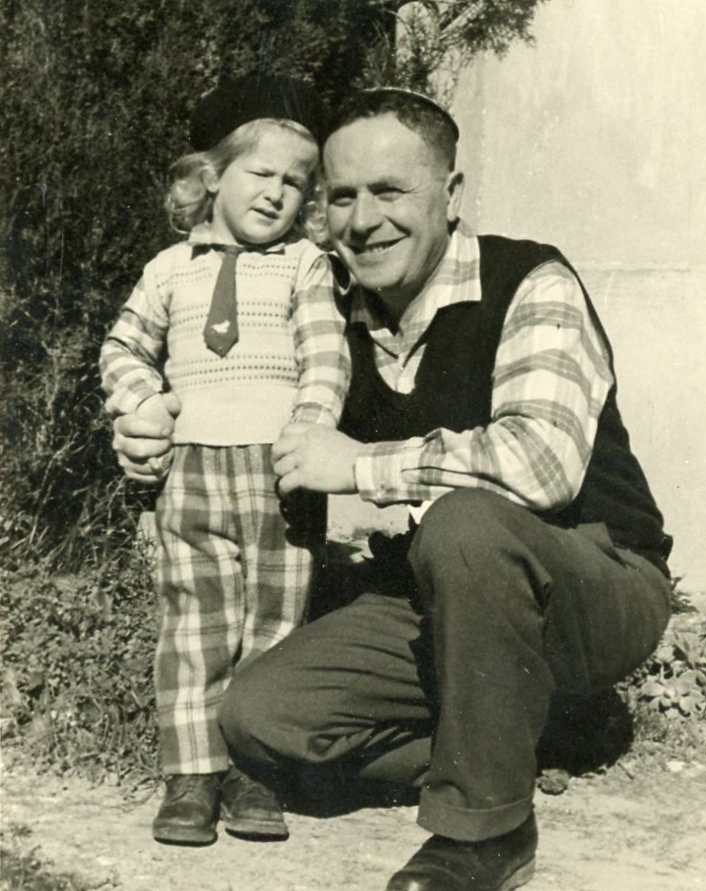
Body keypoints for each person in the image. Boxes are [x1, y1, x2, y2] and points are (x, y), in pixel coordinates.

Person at [113, 87, 673, 891]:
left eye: (389, 192)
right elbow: (230, 386)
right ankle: (533, 729)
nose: (363, 218)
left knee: (467, 523)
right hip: (439, 596)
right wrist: (145, 429)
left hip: (596, 581)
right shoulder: (334, 312)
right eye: (341, 196)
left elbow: (543, 464)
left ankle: (486, 828)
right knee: (260, 718)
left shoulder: (530, 281)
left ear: (449, 196)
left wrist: (357, 467)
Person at [100, 73, 349, 847]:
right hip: (191, 472)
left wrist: (310, 429)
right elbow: (124, 346)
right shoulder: (169, 270)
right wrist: (140, 403)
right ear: (212, 176)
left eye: (294, 182)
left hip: (279, 474)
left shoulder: (305, 266)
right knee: (195, 621)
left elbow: (326, 356)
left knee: (274, 624)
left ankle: (256, 772)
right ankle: (192, 776)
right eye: (260, 172)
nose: (276, 193)